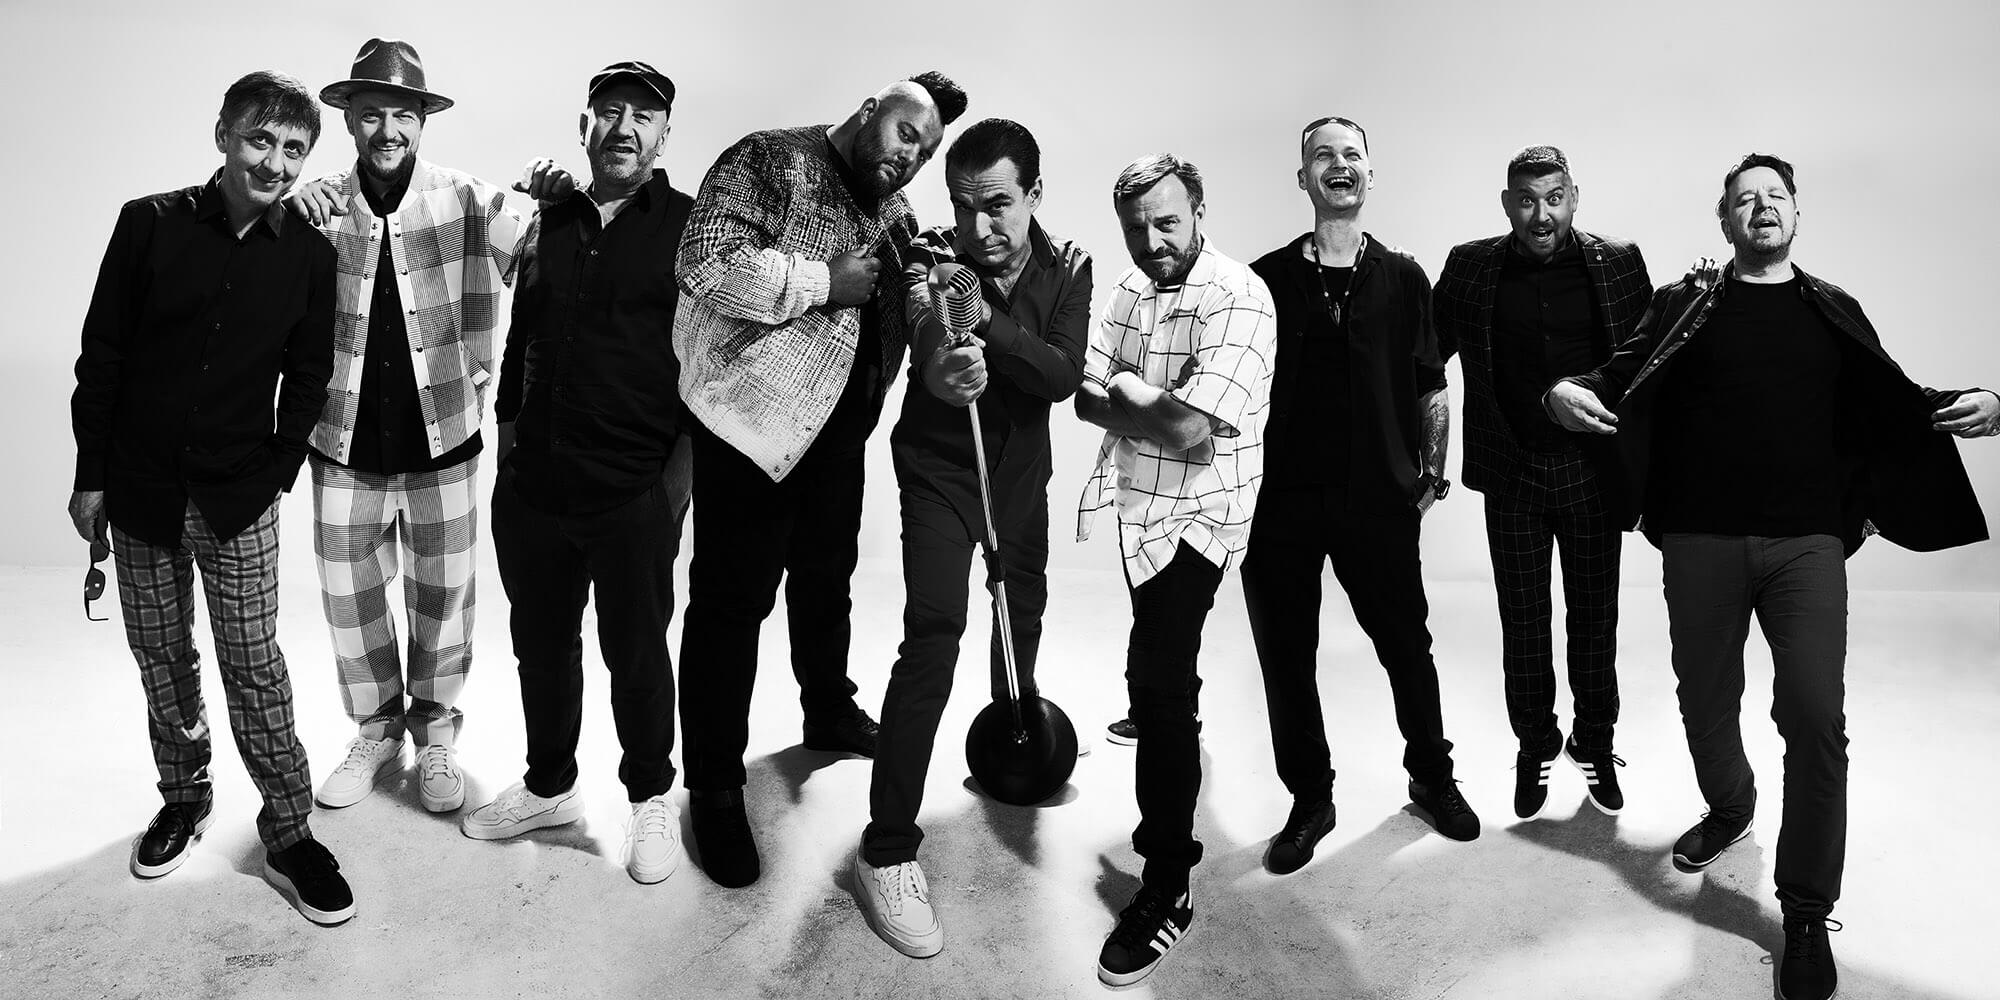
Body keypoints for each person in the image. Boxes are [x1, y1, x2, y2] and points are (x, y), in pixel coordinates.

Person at [1546, 152, 1996, 1000]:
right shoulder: (1684, 304)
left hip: (1807, 544)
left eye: (1776, 196)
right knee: (1705, 701)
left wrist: (1985, 403)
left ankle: (1806, 909)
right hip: (1701, 540)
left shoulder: (1832, 307)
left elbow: (1896, 397)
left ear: (1795, 214)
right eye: (1745, 198)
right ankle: (1731, 807)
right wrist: (1560, 393)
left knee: (1816, 717)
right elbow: (1614, 377)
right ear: (1724, 222)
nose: (1762, 207)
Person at [68, 70, 353, 925]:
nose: (275, 162)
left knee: (253, 665)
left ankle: (290, 833)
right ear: (223, 134)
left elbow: (308, 381)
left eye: (293, 149)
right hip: (140, 492)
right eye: (260, 139)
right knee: (162, 657)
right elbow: (102, 356)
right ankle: (184, 800)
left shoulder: (312, 257)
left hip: (239, 502)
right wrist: (90, 476)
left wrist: (272, 477)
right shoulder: (146, 224)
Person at [673, 71, 969, 888]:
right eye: (906, 132)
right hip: (749, 433)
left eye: (927, 151)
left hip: (838, 443)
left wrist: (936, 271)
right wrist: (821, 282)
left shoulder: (895, 212)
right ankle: (714, 788)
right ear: (871, 109)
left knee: (825, 581)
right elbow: (704, 263)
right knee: (730, 608)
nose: (911, 156)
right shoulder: (769, 159)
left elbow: (908, 294)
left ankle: (828, 707)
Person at [852, 118, 1091, 958]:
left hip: (1020, 483)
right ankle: (886, 849)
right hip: (941, 478)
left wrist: (988, 324)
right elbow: (925, 320)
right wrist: (941, 362)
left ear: (1034, 194)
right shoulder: (931, 253)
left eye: (997, 205)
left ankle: (1012, 729)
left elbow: (1061, 376)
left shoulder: (1071, 268)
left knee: (1020, 614)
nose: (977, 225)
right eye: (962, 205)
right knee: (935, 634)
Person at [454, 62, 694, 887]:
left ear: (664, 135)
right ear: (584, 126)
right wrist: (509, 452)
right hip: (535, 490)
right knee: (542, 649)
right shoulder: (547, 221)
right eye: (610, 111)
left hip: (633, 490)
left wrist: (673, 492)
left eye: (643, 116)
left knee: (637, 654)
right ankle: (550, 786)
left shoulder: (690, 229)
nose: (625, 127)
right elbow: (521, 339)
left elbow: (704, 368)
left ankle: (650, 796)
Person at [284, 38, 534, 814]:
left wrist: (550, 193)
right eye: (371, 114)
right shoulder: (319, 207)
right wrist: (288, 209)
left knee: (445, 597)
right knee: (348, 598)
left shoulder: (466, 200)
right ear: (348, 120)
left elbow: (542, 241)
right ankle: (376, 729)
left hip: (444, 435)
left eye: (402, 114)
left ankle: (437, 734)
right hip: (342, 440)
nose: (388, 130)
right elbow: (257, 275)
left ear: (422, 121)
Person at [1243, 116, 1479, 878]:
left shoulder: (1405, 278)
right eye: (1322, 155)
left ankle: (1432, 776)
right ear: (1303, 179)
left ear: (1371, 174)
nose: (1338, 164)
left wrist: (1430, 478)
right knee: (1287, 656)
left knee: (1407, 646)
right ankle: (1311, 799)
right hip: (1280, 504)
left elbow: (1431, 384)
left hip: (1379, 500)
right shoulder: (1263, 280)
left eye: (1351, 154)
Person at [1076, 153, 1276, 988]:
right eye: (1136, 227)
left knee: (1159, 680)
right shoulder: (1127, 290)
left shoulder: (1240, 297)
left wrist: (1126, 390)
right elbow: (1082, 398)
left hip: (1204, 513)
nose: (1152, 240)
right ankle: (1164, 716)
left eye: (1167, 222)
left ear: (1199, 211)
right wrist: (1143, 397)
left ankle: (1168, 883)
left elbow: (1194, 432)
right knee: (1157, 664)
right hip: (1137, 505)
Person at [1433, 145, 1653, 821]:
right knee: (1523, 622)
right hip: (1512, 473)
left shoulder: (1619, 262)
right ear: (1508, 204)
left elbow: (1650, 361)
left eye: (1554, 198)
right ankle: (1536, 744)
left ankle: (1596, 741)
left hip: (1592, 473)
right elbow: (1421, 357)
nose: (1541, 214)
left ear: (1574, 198)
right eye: (1526, 200)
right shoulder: (1471, 267)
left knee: (1595, 617)